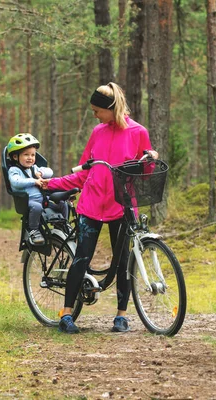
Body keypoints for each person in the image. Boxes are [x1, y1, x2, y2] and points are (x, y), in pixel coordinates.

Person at [45, 82, 159, 334]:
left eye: (97, 110)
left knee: (123, 262)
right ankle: (66, 314)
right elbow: (85, 170)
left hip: (122, 205)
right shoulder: (98, 131)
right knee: (82, 257)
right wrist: (52, 183)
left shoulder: (138, 132)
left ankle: (121, 316)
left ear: (110, 108)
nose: (94, 114)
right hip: (92, 203)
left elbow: (146, 172)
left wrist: (151, 158)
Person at [7, 133, 68, 246]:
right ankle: (33, 231)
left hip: (43, 198)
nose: (30, 158)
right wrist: (33, 181)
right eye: (26, 155)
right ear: (15, 157)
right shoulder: (14, 170)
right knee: (37, 207)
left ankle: (63, 225)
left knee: (62, 204)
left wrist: (41, 173)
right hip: (28, 201)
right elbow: (15, 182)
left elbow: (50, 171)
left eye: (33, 155)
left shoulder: (34, 168)